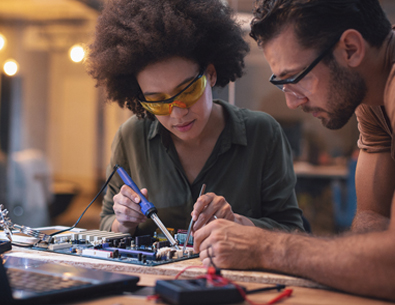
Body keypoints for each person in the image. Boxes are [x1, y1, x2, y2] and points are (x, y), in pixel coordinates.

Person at [194, 0, 395, 300]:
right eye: (282, 84)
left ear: (351, 49)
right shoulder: (371, 98)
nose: (292, 102)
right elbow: (372, 223)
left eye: (296, 78)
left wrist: (262, 246)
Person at [86, 0, 304, 237]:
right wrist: (123, 222)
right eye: (158, 101)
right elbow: (107, 223)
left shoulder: (262, 133)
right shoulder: (131, 137)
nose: (177, 113)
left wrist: (237, 222)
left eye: (188, 91)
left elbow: (293, 232)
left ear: (210, 74)